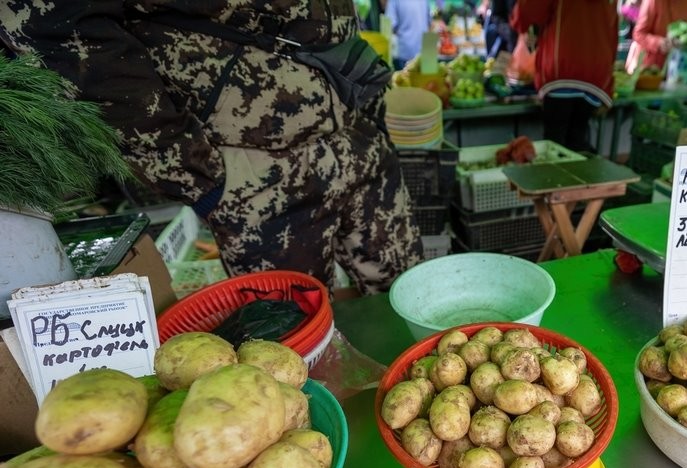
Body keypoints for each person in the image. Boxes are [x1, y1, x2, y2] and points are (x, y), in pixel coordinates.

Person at [0, 1, 423, 297]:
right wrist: (195, 173)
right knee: (293, 356)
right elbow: (51, 24)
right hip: (257, 169)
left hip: (358, 132)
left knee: (415, 300)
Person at [510, 0, 619, 153]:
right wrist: (609, 86)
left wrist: (521, 25)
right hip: (597, 71)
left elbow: (526, 11)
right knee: (577, 140)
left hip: (561, 67)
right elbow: (613, 31)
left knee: (555, 145)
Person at [625, 0, 687, 73]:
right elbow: (638, 34)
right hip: (645, 66)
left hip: (674, 66)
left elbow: (685, 30)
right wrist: (659, 42)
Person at [386, 0, 432, 69]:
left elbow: (390, 25)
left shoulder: (394, 1)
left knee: (405, 78)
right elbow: (430, 24)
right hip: (426, 51)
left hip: (406, 52)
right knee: (428, 79)